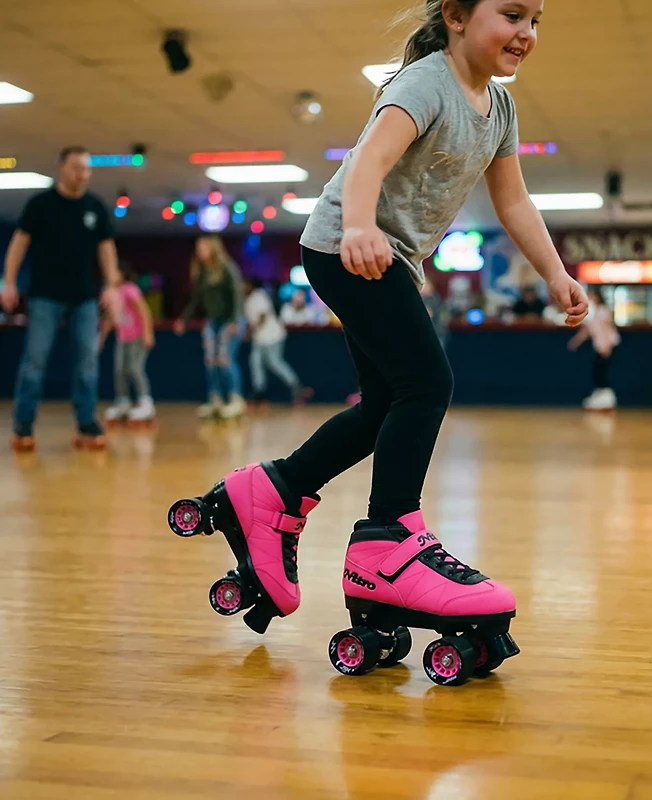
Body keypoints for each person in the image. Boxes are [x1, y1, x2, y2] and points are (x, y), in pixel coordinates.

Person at [168, 0, 588, 664]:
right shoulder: (427, 81)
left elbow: (513, 200)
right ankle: (389, 538)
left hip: (380, 255)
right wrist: (361, 225)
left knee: (388, 404)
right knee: (427, 381)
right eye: (512, 15)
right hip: (348, 245)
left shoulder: (499, 109)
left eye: (536, 20)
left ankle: (272, 489)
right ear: (455, 15)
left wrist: (555, 272)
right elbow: (370, 158)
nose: (526, 33)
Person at [1, 146, 122, 451]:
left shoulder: (94, 207)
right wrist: (10, 282)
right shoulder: (40, 205)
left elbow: (106, 250)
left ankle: (86, 424)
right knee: (35, 361)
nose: (82, 175)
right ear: (62, 168)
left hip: (84, 298)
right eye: (76, 168)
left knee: (87, 363)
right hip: (44, 296)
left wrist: (111, 285)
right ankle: (23, 426)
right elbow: (18, 244)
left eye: (87, 169)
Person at [174, 236, 246, 420]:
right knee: (211, 361)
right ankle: (215, 399)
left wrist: (235, 321)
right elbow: (196, 300)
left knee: (225, 359)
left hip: (229, 320)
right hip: (212, 322)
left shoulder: (227, 268)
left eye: (203, 247)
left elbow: (237, 294)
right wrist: (184, 320)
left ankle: (235, 399)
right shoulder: (203, 273)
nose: (199, 251)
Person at [101, 265, 156, 423]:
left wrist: (148, 334)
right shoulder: (111, 293)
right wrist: (101, 338)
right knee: (119, 370)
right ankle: (122, 401)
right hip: (122, 338)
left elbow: (144, 311)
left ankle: (146, 402)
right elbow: (109, 319)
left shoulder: (130, 289)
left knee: (135, 368)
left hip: (137, 337)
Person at [243, 276, 310, 406]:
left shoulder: (259, 296)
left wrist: (249, 332)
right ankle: (259, 392)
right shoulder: (248, 299)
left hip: (272, 336)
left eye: (245, 284)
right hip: (260, 338)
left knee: (275, 363)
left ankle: (296, 387)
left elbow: (262, 316)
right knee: (255, 363)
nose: (242, 287)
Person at [568, 288, 620, 410]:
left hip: (606, 347)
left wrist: (607, 346)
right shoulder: (593, 313)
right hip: (599, 347)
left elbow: (608, 329)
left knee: (602, 372)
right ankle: (600, 396)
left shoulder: (603, 311)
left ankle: (607, 398)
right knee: (597, 371)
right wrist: (575, 342)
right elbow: (586, 331)